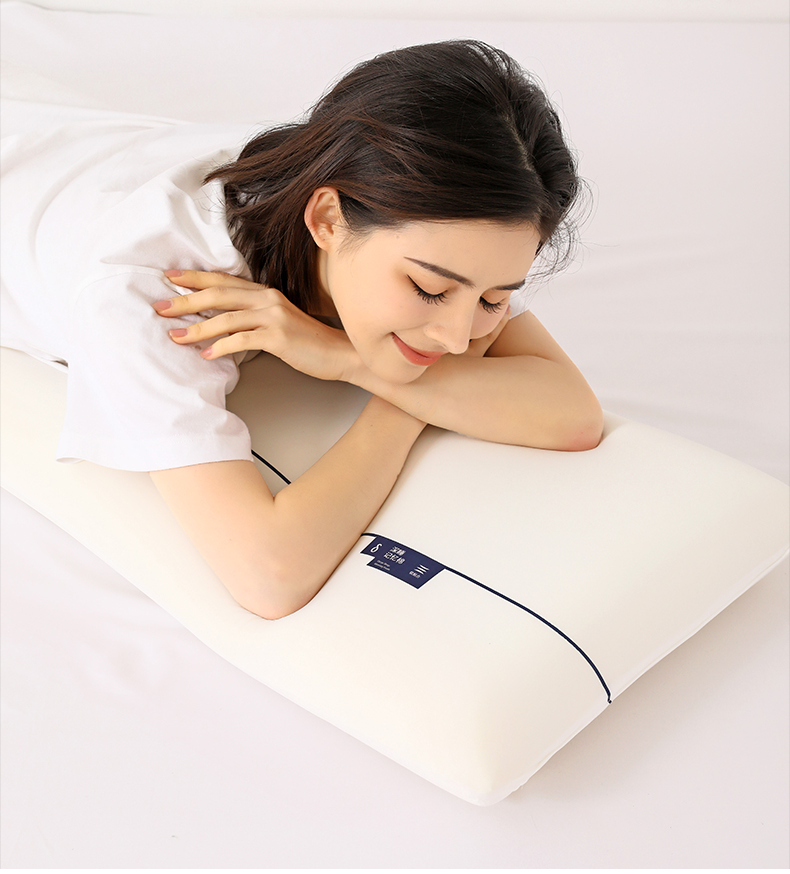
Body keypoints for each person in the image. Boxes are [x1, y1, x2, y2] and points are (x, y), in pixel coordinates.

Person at [1, 40, 602, 620]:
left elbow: (573, 415)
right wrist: (402, 405)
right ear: (327, 219)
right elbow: (267, 576)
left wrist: (347, 359)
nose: (455, 338)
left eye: (495, 298)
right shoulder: (158, 294)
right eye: (428, 289)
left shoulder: (418, 219)